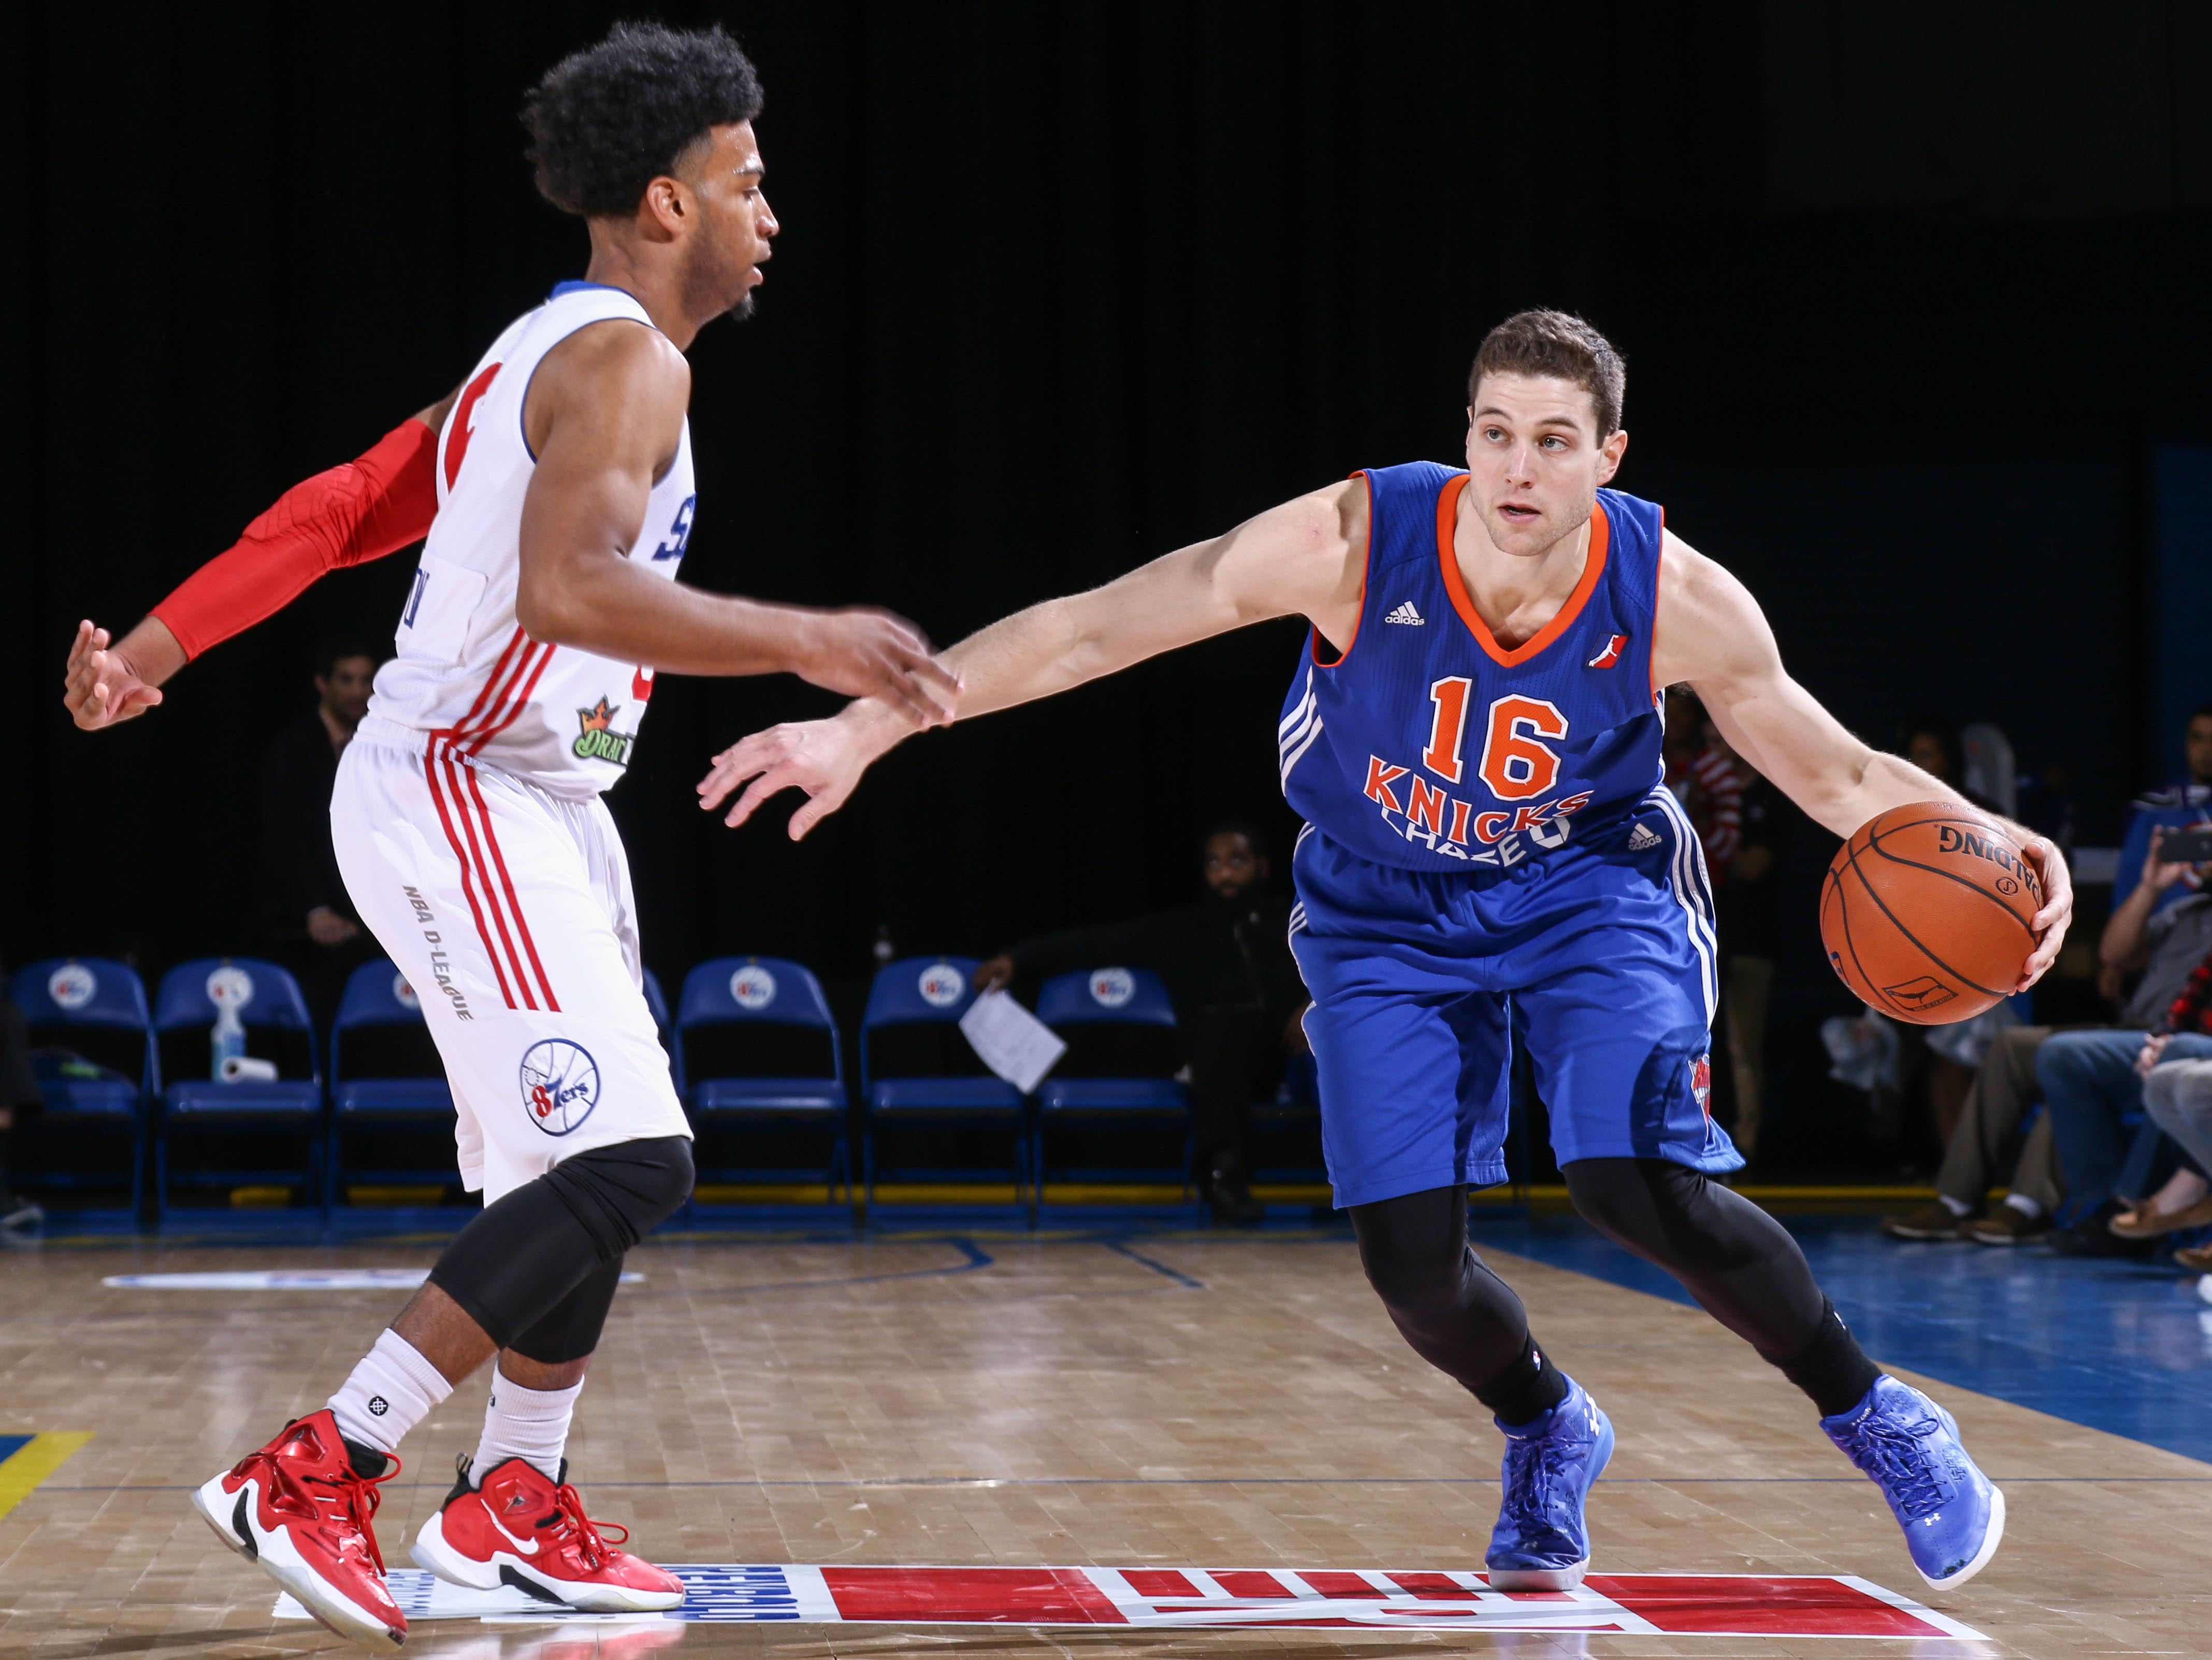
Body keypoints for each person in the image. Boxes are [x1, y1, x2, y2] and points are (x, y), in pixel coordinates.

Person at [701, 309, 2072, 1593]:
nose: (1515, 466)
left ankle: (1877, 1413)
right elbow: (1096, 625)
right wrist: (869, 726)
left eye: (1551, 440)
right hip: (1377, 906)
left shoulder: (1675, 595)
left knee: (1626, 1176)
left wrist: (1983, 837)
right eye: (1492, 431)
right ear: (1462, 431)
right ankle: (1544, 1421)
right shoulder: (1357, 538)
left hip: (1583, 882)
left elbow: (1832, 775)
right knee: (1412, 1264)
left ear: (1607, 453)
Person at [62, 23, 958, 1650]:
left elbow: (336, 508)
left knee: (576, 1168)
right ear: (667, 201)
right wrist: (799, 635)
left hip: (537, 796)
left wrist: (152, 648)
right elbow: (566, 592)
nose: (773, 213)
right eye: (749, 182)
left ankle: (512, 1508)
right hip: (460, 782)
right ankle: (321, 1467)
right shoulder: (627, 362)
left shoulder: (537, 352)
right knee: (634, 1156)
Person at [1883, 824, 2212, 1247]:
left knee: (2065, 1058)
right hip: (2135, 1030)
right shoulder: (2184, 911)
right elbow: (2113, 953)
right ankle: (1956, 1199)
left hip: (2180, 1041)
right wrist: (2151, 886)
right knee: (2012, 1048)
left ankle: (2028, 1206)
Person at [974, 822, 1309, 1225]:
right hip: (1224, 1058)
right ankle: (1224, 1179)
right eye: (1214, 864)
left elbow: (1343, 967)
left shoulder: (1291, 923)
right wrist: (1017, 959)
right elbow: (1095, 944)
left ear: (1262, 867)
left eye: (1236, 861)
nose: (1224, 874)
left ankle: (1370, 1185)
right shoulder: (1180, 930)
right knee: (1221, 1033)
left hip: (1296, 1052)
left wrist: (1312, 1009)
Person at [260, 639, 384, 1026]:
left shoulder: (383, 745)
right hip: (305, 925)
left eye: (366, 680)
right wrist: (314, 910)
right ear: (322, 683)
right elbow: (284, 838)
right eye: (346, 680)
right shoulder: (293, 749)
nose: (357, 691)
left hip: (371, 919)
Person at [2107, 703, 2212, 943]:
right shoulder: (2153, 810)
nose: (2207, 749)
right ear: (2186, 743)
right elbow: (2129, 883)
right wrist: (2114, 964)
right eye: (2198, 739)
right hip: (2163, 946)